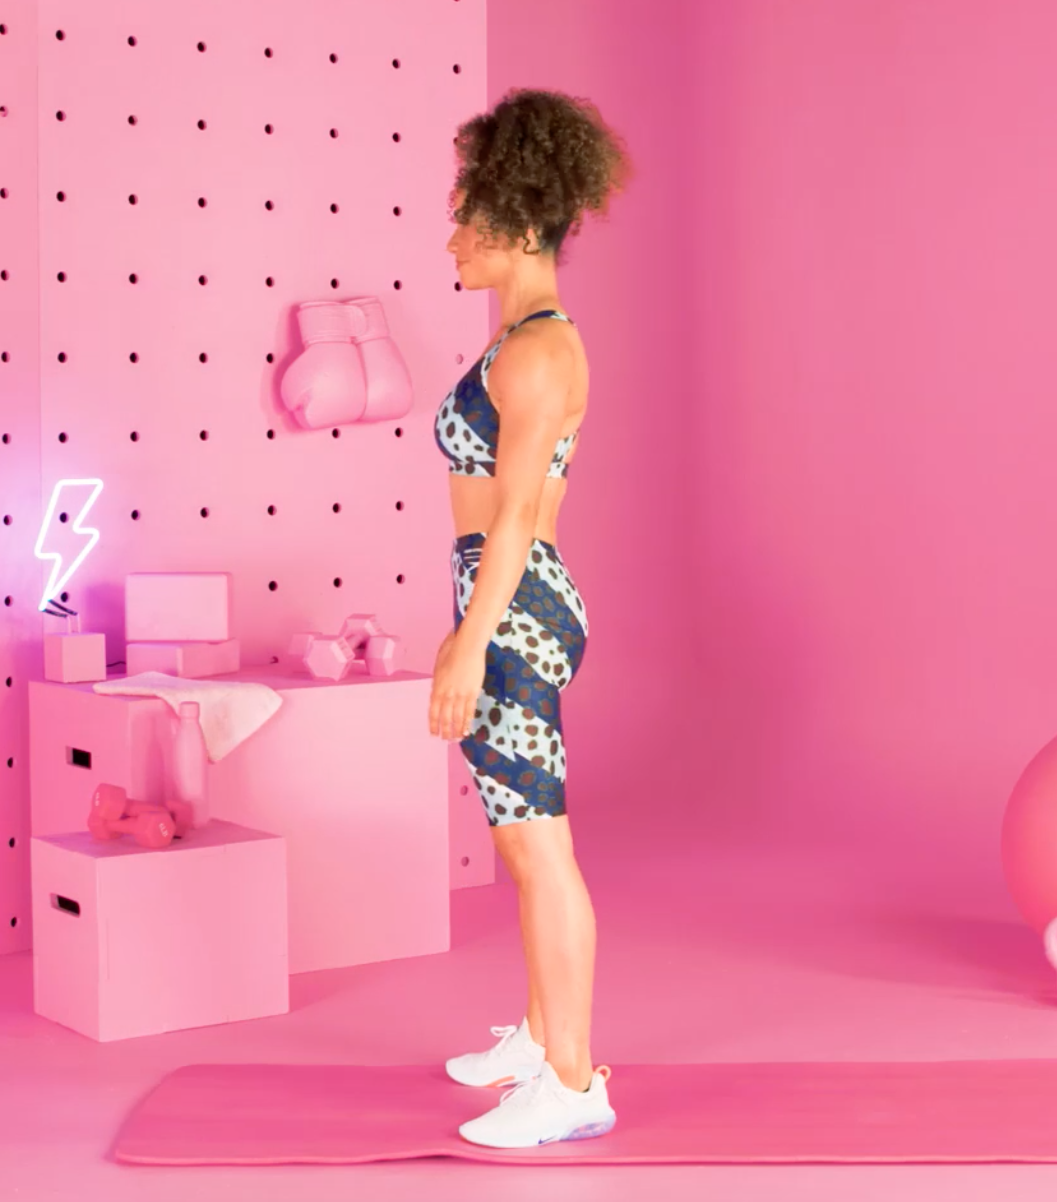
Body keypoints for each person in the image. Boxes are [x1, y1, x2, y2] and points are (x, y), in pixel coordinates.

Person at [428, 87, 631, 1149]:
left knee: (538, 847)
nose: (451, 232)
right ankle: (539, 1036)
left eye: (467, 214)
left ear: (514, 223)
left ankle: (571, 1077)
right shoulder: (520, 340)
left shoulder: (541, 351)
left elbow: (511, 516)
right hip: (503, 601)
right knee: (520, 844)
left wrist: (472, 638)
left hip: (515, 607)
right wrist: (463, 623)